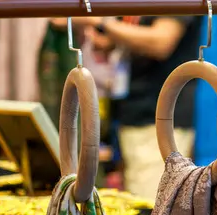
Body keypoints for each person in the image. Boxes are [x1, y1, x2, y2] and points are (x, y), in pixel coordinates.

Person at [74, 16, 202, 200]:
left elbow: (161, 42)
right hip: (131, 112)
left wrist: (101, 22)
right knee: (135, 204)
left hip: (160, 119)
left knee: (151, 209)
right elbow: (113, 39)